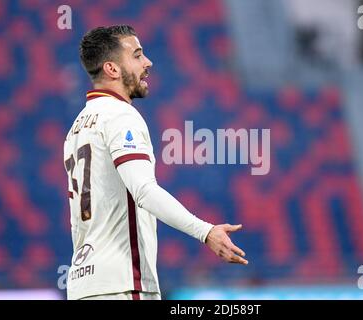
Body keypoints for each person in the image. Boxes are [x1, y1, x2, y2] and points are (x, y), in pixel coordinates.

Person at [63, 25, 248, 300]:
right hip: (123, 284)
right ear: (112, 69)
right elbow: (144, 191)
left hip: (84, 286)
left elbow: (77, 224)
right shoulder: (121, 116)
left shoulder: (76, 129)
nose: (148, 62)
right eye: (137, 55)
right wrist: (206, 232)